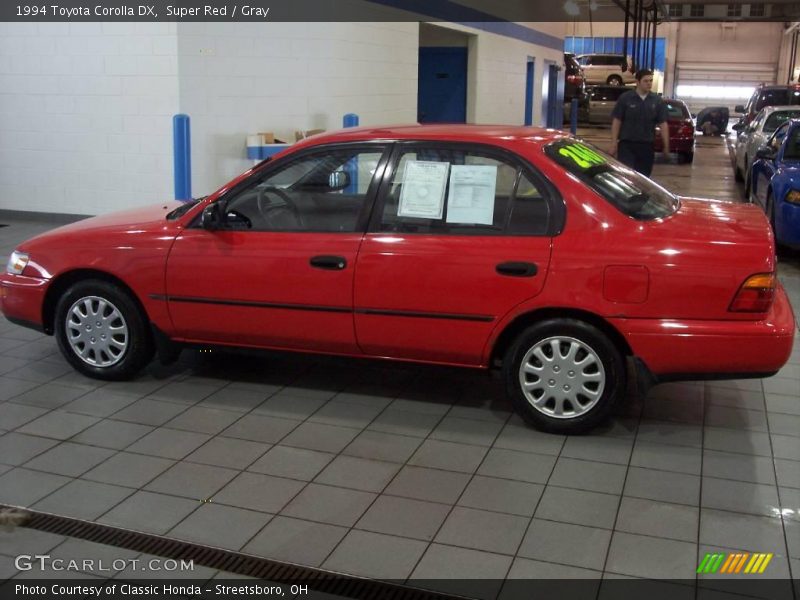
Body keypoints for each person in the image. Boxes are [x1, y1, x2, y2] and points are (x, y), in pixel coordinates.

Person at [609, 69, 670, 176]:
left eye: (651, 81)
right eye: (646, 81)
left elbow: (663, 124)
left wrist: (666, 146)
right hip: (626, 145)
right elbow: (617, 121)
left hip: (646, 146)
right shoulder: (626, 98)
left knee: (643, 179)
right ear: (637, 82)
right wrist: (614, 143)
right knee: (626, 176)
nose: (649, 83)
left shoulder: (657, 101)